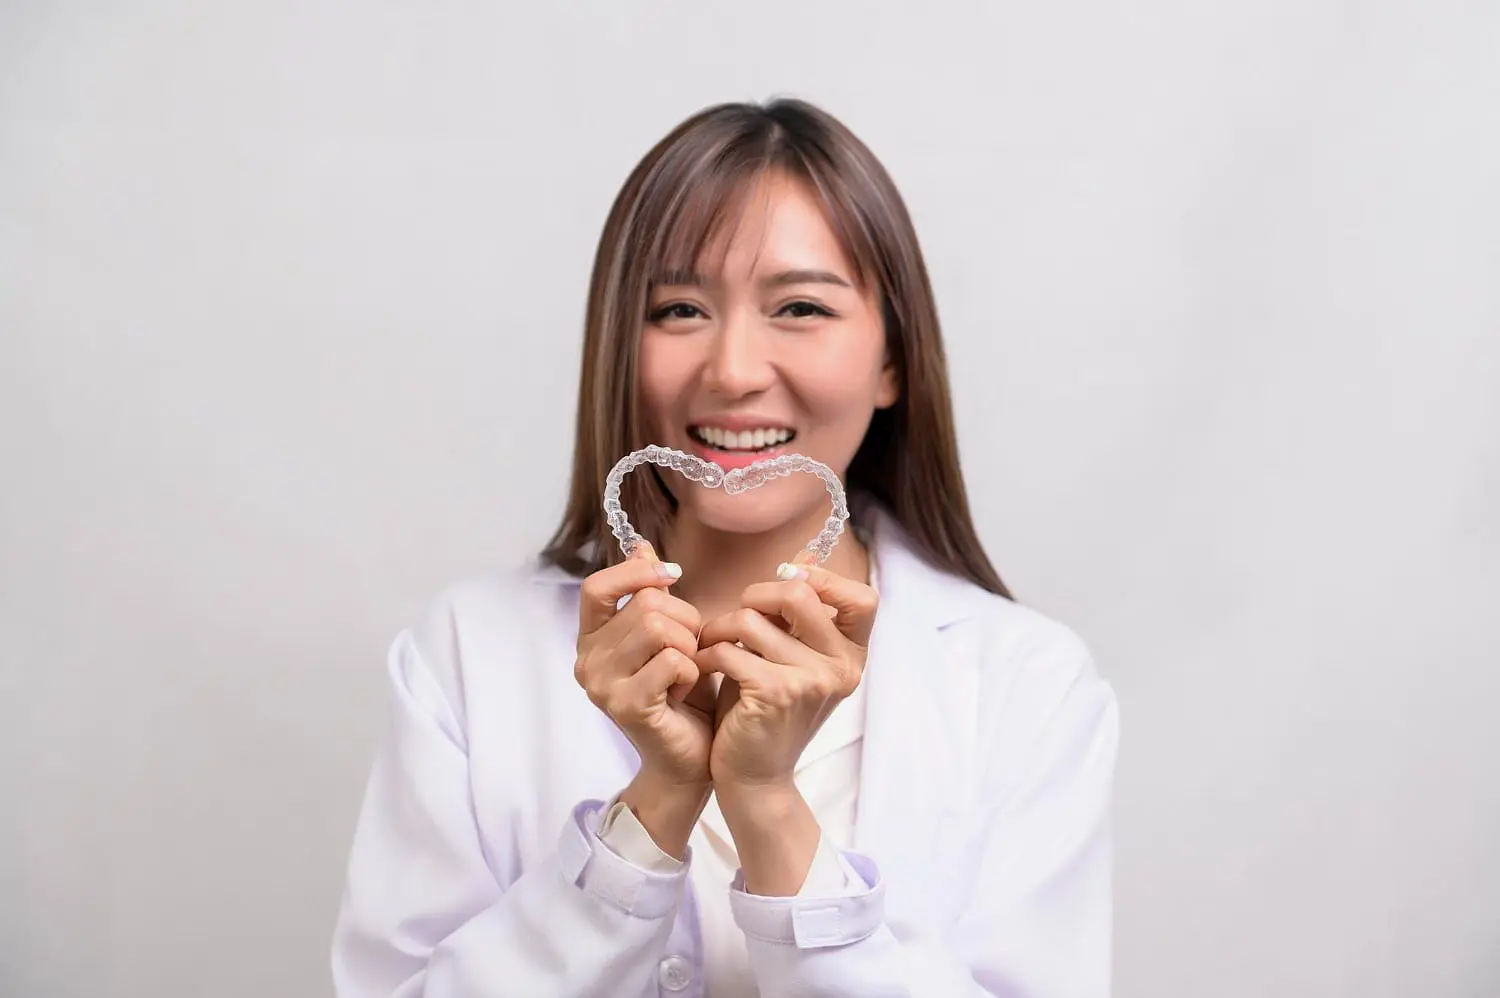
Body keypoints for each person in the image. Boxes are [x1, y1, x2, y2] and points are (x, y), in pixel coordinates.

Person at [331, 98, 1118, 998]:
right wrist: (654, 806)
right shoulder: (470, 653)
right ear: (618, 346)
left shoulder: (1028, 685)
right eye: (678, 309)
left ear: (892, 361)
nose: (735, 371)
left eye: (799, 307)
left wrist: (768, 806)